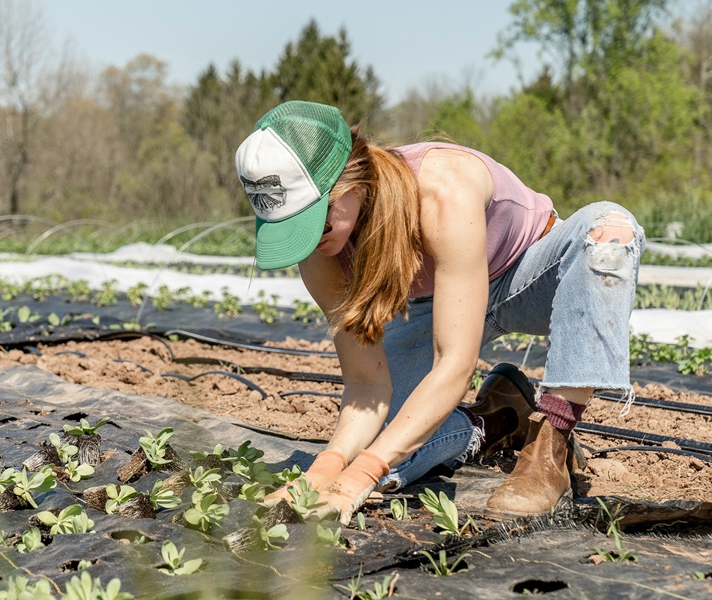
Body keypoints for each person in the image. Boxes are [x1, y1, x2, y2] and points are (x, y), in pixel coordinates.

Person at [235, 100, 644, 524]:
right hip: (439, 304)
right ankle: (495, 419)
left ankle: (551, 443)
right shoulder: (321, 252)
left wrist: (363, 473)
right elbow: (367, 385)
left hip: (529, 277)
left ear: (351, 179)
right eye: (290, 229)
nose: (310, 241)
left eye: (314, 221)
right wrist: (326, 469)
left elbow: (454, 364)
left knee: (609, 230)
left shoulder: (439, 188)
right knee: (386, 442)